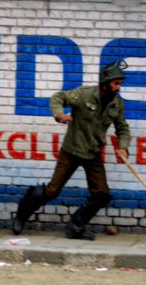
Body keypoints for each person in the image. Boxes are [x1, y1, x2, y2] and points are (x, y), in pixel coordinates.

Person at [11, 60, 131, 241]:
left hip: (93, 154)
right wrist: (59, 114)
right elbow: (58, 97)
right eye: (116, 83)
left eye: (120, 84)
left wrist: (122, 147)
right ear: (105, 82)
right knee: (52, 191)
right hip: (71, 151)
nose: (119, 88)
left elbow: (122, 127)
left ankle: (75, 226)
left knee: (101, 195)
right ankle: (21, 215)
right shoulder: (83, 95)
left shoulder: (116, 104)